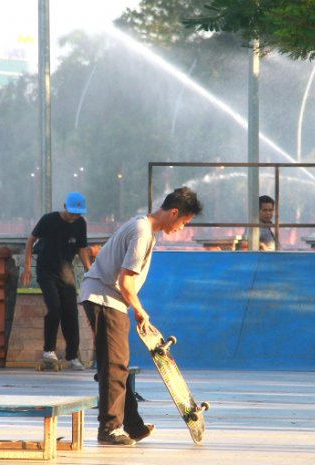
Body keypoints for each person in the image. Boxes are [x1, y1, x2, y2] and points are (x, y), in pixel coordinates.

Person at [79, 187, 202, 446]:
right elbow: (126, 282)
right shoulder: (142, 232)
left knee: (116, 363)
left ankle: (132, 425)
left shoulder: (142, 227)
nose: (181, 228)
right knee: (114, 365)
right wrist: (140, 310)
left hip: (106, 298)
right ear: (174, 213)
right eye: (184, 222)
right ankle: (110, 429)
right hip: (105, 298)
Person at [21, 192, 91, 370]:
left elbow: (82, 248)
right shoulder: (49, 220)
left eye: (78, 213)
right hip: (46, 271)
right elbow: (31, 241)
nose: (74, 216)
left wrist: (90, 270)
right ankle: (48, 350)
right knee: (54, 308)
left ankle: (72, 356)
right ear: (65, 206)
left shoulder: (80, 224)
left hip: (66, 272)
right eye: (73, 212)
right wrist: (28, 267)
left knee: (71, 313)